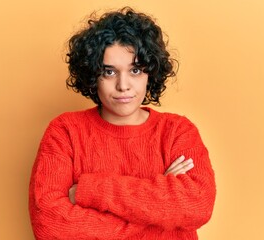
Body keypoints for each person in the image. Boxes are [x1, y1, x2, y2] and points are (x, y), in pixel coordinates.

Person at [29, 7, 216, 240]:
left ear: (150, 73)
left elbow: (197, 207)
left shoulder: (178, 132)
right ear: (92, 74)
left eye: (135, 70)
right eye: (109, 72)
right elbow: (51, 227)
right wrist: (159, 210)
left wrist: (90, 190)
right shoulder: (65, 131)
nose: (123, 85)